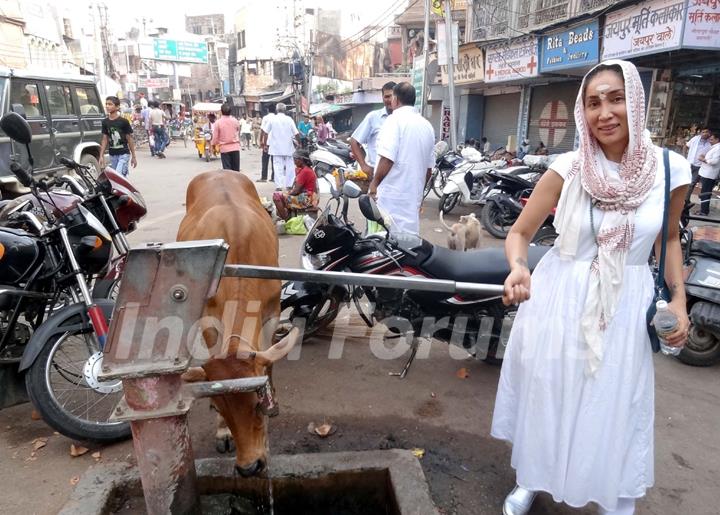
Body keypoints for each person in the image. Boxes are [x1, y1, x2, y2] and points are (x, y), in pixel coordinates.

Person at [493, 60, 690, 515]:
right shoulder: (568, 168)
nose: (605, 112)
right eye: (594, 102)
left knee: (616, 399)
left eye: (616, 99)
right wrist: (519, 268)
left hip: (627, 299)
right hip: (561, 295)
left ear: (636, 103)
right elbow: (519, 233)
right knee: (551, 390)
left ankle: (614, 495)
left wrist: (679, 301)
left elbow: (669, 239)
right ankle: (532, 477)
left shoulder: (670, 169)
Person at [369, 82, 435, 235]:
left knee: (387, 242)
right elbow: (428, 170)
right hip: (413, 197)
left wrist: (374, 184)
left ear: (396, 100)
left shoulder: (393, 121)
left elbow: (387, 158)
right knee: (409, 243)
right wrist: (420, 194)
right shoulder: (427, 126)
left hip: (392, 198)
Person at [350, 81, 396, 176]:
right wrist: (364, 166)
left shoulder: (403, 118)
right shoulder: (373, 117)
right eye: (387, 96)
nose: (390, 99)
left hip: (398, 175)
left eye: (393, 96)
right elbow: (354, 141)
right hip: (377, 175)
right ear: (382, 98)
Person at [272, 149, 318, 220]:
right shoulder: (306, 169)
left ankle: (286, 219)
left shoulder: (305, 171)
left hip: (306, 199)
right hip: (309, 197)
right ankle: (287, 215)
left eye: (295, 159)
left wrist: (286, 194)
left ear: (301, 160)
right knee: (283, 195)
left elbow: (296, 191)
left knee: (276, 197)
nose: (294, 161)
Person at [99, 96, 137, 176]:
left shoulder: (124, 121)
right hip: (112, 154)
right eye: (106, 104)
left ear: (117, 107)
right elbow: (105, 139)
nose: (107, 106)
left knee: (118, 175)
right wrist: (101, 155)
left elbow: (129, 139)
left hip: (124, 153)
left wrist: (133, 156)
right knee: (116, 178)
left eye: (110, 104)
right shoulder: (105, 122)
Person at [265, 103, 300, 191]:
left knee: (277, 166)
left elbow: (266, 132)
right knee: (290, 166)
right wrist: (299, 144)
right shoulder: (289, 119)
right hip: (288, 147)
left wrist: (265, 144)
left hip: (276, 147)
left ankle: (279, 186)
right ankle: (289, 184)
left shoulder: (273, 119)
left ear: (277, 110)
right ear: (285, 110)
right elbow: (296, 133)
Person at [696, 130, 720, 216]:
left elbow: (714, 161)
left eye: (712, 139)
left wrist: (704, 159)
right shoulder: (714, 147)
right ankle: (703, 210)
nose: (710, 141)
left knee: (705, 193)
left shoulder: (718, 148)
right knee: (704, 193)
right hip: (706, 173)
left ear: (717, 139)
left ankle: (704, 211)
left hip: (709, 174)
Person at [212, 103, 241, 171]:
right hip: (235, 148)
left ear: (221, 112)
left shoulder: (218, 122)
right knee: (236, 171)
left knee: (227, 171)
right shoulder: (235, 121)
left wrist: (213, 145)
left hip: (225, 149)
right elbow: (238, 130)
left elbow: (215, 137)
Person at [685, 126, 712, 198]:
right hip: (689, 163)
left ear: (709, 133)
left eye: (707, 132)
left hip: (699, 166)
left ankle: (686, 200)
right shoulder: (695, 139)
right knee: (683, 181)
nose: (705, 134)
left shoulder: (711, 142)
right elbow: (686, 146)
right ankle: (678, 198)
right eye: (703, 132)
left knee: (692, 184)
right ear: (700, 133)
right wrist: (684, 157)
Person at [259, 105, 276, 183]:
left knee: (265, 160)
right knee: (274, 160)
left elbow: (263, 130)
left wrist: (261, 141)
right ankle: (273, 177)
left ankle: (264, 177)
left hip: (267, 142)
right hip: (275, 142)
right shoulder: (276, 118)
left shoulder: (265, 118)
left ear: (268, 110)